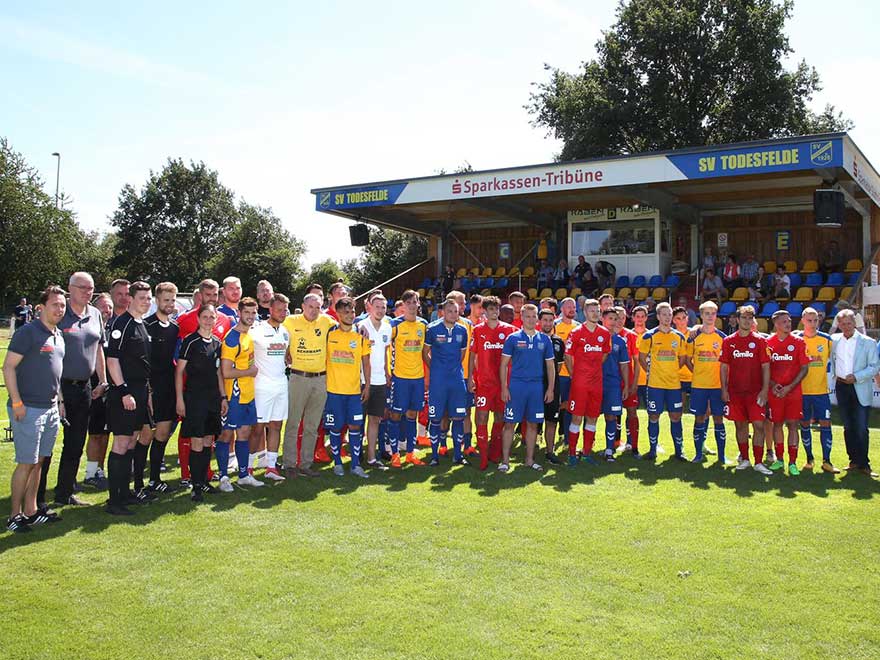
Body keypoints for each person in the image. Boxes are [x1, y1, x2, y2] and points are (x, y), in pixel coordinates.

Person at [3, 286, 66, 532]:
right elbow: (8, 368)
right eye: (55, 305)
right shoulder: (28, 332)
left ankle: (31, 510)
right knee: (26, 463)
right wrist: (17, 402)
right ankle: (14, 516)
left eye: (62, 305)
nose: (59, 309)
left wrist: (59, 402)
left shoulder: (58, 335)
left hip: (50, 408)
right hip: (27, 408)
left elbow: (56, 373)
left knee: (39, 462)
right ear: (41, 307)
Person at [46, 272, 106, 509]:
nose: (87, 292)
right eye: (82, 288)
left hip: (85, 388)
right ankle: (37, 497)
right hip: (58, 388)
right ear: (70, 288)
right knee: (46, 446)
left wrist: (102, 380)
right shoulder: (60, 313)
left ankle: (64, 492)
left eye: (91, 288)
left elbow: (99, 348)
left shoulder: (95, 314)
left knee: (76, 443)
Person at [176, 279, 233, 485]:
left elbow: (221, 363)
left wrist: (223, 396)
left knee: (208, 436)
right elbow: (177, 361)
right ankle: (186, 475)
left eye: (214, 295)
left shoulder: (225, 320)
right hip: (190, 389)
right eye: (207, 294)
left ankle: (204, 476)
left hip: (212, 394)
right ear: (199, 295)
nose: (211, 298)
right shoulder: (185, 321)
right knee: (191, 435)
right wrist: (179, 396)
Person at [105, 281, 154, 515]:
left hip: (141, 391)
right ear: (131, 299)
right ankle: (114, 501)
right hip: (124, 392)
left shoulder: (141, 324)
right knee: (122, 442)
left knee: (132, 441)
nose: (146, 301)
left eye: (148, 298)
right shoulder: (121, 324)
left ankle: (125, 493)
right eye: (142, 297)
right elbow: (112, 359)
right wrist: (123, 390)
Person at [281, 292, 336, 477]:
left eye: (318, 307)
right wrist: (286, 350)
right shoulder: (290, 321)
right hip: (298, 377)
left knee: (312, 425)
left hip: (320, 379)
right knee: (293, 423)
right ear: (303, 306)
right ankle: (289, 464)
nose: (314, 311)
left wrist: (362, 329)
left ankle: (305, 464)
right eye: (310, 307)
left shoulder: (327, 321)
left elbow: (346, 327)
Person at [499, 304, 555, 472]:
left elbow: (551, 366)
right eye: (527, 316)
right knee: (509, 424)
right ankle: (505, 461)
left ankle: (529, 460)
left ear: (537, 318)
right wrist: (504, 387)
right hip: (517, 386)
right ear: (521, 318)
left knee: (532, 425)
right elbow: (503, 365)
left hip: (536, 387)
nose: (531, 319)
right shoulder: (513, 338)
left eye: (533, 316)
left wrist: (550, 388)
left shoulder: (544, 340)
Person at [719, 305, 772, 475]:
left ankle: (758, 461)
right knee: (740, 426)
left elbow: (765, 367)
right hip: (735, 392)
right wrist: (724, 389)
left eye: (750, 318)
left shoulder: (760, 341)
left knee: (759, 425)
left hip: (755, 392)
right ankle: (745, 458)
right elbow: (724, 367)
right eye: (744, 318)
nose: (747, 321)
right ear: (737, 319)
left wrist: (764, 390)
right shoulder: (728, 341)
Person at [324, 297, 371, 477]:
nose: (351, 315)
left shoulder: (360, 334)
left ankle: (356, 465)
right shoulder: (329, 334)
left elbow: (366, 363)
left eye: (352, 311)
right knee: (335, 427)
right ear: (337, 314)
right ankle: (337, 463)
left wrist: (366, 385)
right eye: (346, 312)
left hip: (354, 391)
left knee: (355, 426)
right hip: (334, 391)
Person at [219, 297, 262, 489]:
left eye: (254, 313)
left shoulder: (248, 336)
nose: (251, 316)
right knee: (227, 435)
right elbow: (226, 372)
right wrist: (249, 373)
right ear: (239, 313)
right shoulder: (232, 338)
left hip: (248, 395)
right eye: (247, 312)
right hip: (233, 395)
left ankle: (244, 474)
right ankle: (223, 478)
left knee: (244, 433)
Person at [141, 282, 180, 495]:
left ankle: (155, 479)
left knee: (163, 434)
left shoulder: (175, 328)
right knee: (146, 435)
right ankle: (138, 482)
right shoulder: (147, 325)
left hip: (168, 388)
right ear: (157, 301)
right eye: (166, 300)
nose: (169, 304)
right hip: (149, 389)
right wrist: (147, 390)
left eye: (173, 300)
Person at [830, 309, 879, 477]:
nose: (846, 326)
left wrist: (856, 377)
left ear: (854, 323)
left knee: (861, 427)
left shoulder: (868, 342)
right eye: (842, 324)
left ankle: (864, 463)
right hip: (842, 387)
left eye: (849, 323)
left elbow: (874, 367)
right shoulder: (834, 340)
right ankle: (853, 461)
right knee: (848, 426)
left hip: (859, 387)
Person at [469, 296, 514, 470]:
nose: (494, 312)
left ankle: (495, 452)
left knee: (500, 417)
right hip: (484, 383)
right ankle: (483, 456)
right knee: (481, 416)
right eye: (490, 309)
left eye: (496, 309)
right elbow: (473, 355)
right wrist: (470, 377)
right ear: (485, 312)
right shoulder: (478, 330)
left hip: (503, 383)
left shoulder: (509, 330)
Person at [564, 299, 611, 466]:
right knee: (576, 417)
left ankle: (586, 453)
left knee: (592, 417)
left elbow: (604, 354)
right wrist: (573, 374)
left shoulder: (605, 333)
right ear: (584, 312)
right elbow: (568, 356)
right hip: (580, 383)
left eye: (597, 310)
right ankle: (571, 453)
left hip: (596, 383)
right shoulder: (576, 332)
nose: (595, 313)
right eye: (592, 310)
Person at [250, 292, 291, 482]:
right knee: (257, 429)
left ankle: (271, 467)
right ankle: (248, 467)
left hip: (281, 384)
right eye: (280, 309)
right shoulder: (256, 330)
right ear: (270, 309)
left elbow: (286, 356)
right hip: (262, 386)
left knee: (276, 425)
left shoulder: (285, 332)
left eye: (285, 310)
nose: (283, 313)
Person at [638, 302, 687, 461]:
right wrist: (652, 372)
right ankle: (653, 450)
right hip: (655, 385)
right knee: (654, 416)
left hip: (673, 385)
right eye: (664, 314)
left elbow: (682, 359)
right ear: (658, 316)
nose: (667, 317)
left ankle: (679, 451)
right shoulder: (649, 336)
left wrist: (671, 370)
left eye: (669, 315)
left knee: (676, 416)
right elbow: (641, 358)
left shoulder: (678, 337)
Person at [423, 299, 469, 466]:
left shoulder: (462, 331)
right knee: (435, 418)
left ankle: (457, 455)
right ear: (443, 312)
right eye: (450, 311)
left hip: (456, 380)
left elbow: (462, 355)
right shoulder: (433, 329)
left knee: (458, 418)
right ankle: (434, 455)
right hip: (439, 381)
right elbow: (425, 353)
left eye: (456, 311)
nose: (453, 314)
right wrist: (435, 368)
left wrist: (452, 368)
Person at [766, 310, 810, 475]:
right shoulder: (768, 343)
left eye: (789, 320)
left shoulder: (799, 342)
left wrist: (789, 387)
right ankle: (779, 460)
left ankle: (792, 462)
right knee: (777, 424)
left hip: (793, 392)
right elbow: (764, 369)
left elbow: (805, 368)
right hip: (775, 392)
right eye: (784, 321)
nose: (788, 323)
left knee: (793, 425)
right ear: (776, 324)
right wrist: (773, 385)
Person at [388, 290, 429, 467]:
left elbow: (426, 352)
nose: (413, 305)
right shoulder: (394, 325)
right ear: (403, 305)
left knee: (413, 414)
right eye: (409, 302)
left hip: (417, 378)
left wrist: (431, 374)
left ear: (418, 304)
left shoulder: (423, 325)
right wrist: (387, 372)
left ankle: (411, 452)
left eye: (415, 302)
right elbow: (385, 349)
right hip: (400, 378)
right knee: (396, 414)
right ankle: (395, 453)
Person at [794, 307, 838, 472]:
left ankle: (827, 461)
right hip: (802, 392)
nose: (813, 324)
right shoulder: (796, 339)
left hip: (821, 392)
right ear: (803, 320)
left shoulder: (827, 340)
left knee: (826, 423)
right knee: (804, 424)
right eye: (809, 320)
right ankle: (809, 459)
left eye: (816, 320)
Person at [685, 301, 727, 464]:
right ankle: (698, 454)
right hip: (699, 386)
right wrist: (696, 372)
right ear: (701, 315)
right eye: (707, 313)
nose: (710, 317)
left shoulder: (723, 337)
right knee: (699, 418)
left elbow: (726, 363)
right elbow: (688, 360)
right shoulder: (693, 337)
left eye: (713, 313)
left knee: (718, 419)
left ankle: (722, 456)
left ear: (716, 315)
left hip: (717, 386)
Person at [356, 292, 392, 470]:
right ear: (369, 307)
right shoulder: (360, 327)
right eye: (377, 306)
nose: (380, 310)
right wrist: (365, 382)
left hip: (380, 381)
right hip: (362, 381)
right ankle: (355, 458)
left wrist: (387, 372)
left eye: (383, 307)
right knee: (357, 420)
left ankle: (371, 458)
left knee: (375, 419)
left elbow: (385, 352)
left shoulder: (387, 327)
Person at [83, 292, 114, 489]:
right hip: (92, 389)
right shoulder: (89, 330)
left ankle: (99, 470)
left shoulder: (113, 330)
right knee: (94, 433)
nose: (107, 310)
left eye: (109, 307)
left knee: (105, 433)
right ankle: (90, 472)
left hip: (109, 390)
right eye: (103, 306)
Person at [599, 308, 630, 462]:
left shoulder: (620, 341)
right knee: (589, 416)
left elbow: (624, 365)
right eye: (610, 318)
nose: (613, 321)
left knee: (611, 416)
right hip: (594, 383)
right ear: (602, 319)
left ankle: (609, 449)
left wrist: (626, 386)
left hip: (612, 384)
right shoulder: (594, 337)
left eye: (615, 319)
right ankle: (586, 449)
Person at [538, 308, 566, 465]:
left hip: (553, 386)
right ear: (539, 322)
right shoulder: (534, 339)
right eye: (545, 320)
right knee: (532, 420)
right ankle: (531, 450)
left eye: (550, 320)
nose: (548, 323)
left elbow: (559, 367)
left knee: (552, 420)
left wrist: (551, 384)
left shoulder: (558, 342)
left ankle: (550, 451)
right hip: (535, 384)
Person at [553, 297, 580, 461]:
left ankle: (568, 438)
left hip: (574, 375)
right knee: (555, 406)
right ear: (562, 309)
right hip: (558, 374)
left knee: (571, 406)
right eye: (568, 306)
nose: (571, 309)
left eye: (574, 307)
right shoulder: (555, 325)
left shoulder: (578, 327)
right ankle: (550, 436)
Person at [615, 306, 641, 455]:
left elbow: (637, 362)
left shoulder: (631, 336)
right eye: (616, 317)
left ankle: (633, 445)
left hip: (628, 381)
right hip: (612, 382)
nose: (619, 320)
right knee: (612, 414)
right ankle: (614, 443)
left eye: (623, 317)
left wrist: (635, 383)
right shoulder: (607, 336)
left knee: (632, 412)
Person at [631, 305, 649, 412]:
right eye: (637, 316)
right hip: (633, 380)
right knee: (631, 411)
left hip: (648, 380)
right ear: (633, 318)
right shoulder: (628, 335)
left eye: (642, 316)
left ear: (646, 318)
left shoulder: (651, 335)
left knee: (652, 412)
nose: (640, 319)